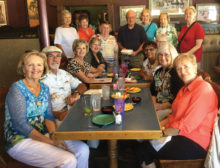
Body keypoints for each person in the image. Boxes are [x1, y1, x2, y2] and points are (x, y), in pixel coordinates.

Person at [4, 51, 89, 168]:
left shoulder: (44, 88)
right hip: (20, 140)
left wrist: (54, 136)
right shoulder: (17, 89)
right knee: (68, 160)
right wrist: (52, 142)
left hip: (43, 134)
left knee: (83, 150)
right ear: (23, 68)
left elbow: (48, 116)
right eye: (30, 65)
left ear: (43, 67)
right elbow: (20, 125)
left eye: (39, 65)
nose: (35, 68)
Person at [136, 53, 218, 168]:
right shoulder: (184, 89)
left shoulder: (203, 89)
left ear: (195, 67)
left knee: (144, 149)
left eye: (186, 67)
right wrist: (156, 128)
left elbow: (186, 126)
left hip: (195, 142)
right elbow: (173, 116)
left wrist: (160, 133)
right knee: (142, 145)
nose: (182, 72)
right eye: (179, 69)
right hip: (180, 135)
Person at [41, 46, 87, 126]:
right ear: (44, 59)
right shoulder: (40, 78)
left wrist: (76, 93)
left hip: (71, 111)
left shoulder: (64, 73)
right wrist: (59, 115)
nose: (55, 59)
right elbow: (39, 110)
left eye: (58, 56)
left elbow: (82, 85)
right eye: (51, 56)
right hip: (54, 117)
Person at [150, 42, 184, 121]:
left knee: (149, 119)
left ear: (172, 55)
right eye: (160, 55)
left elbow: (177, 98)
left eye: (166, 54)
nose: (162, 57)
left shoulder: (175, 72)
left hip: (170, 109)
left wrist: (159, 106)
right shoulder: (158, 71)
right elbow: (153, 91)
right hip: (157, 106)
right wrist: (154, 104)